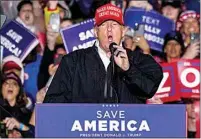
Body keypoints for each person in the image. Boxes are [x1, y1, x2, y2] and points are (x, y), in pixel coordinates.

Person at [43, 3, 163, 103]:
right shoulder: (72, 61)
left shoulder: (139, 60)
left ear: (124, 31)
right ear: (95, 32)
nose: (109, 29)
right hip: (86, 130)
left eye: (114, 24)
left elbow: (149, 88)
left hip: (127, 130)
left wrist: (128, 69)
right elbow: (53, 103)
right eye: (104, 25)